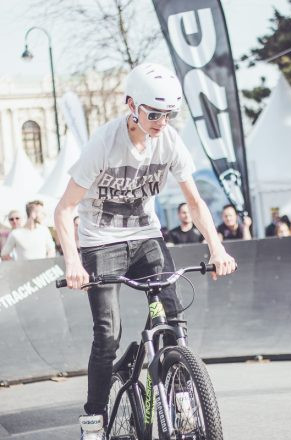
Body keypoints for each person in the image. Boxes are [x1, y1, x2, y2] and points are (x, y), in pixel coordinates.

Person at [53, 63, 236, 440]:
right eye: (154, 113)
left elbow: (195, 201)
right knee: (108, 334)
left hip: (146, 238)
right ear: (131, 106)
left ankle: (182, 395)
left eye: (169, 114)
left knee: (172, 320)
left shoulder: (169, 141)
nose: (161, 122)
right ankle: (94, 418)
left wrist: (217, 247)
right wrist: (72, 261)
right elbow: (64, 209)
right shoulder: (103, 144)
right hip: (100, 242)